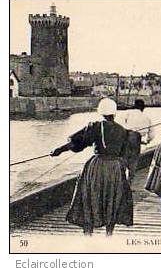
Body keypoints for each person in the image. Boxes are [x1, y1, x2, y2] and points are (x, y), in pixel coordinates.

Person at [50, 98, 133, 236]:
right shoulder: (123, 131)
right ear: (114, 113)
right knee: (112, 198)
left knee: (88, 197)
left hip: (97, 167)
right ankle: (109, 235)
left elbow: (77, 143)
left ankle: (88, 235)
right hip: (115, 169)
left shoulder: (95, 126)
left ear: (101, 112)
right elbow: (126, 154)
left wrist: (59, 150)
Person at [120, 99, 155, 181]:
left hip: (126, 137)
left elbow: (119, 124)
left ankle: (121, 183)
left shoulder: (127, 113)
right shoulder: (146, 117)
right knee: (133, 162)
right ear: (143, 108)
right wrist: (147, 141)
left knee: (123, 161)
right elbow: (152, 133)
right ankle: (129, 183)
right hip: (137, 139)